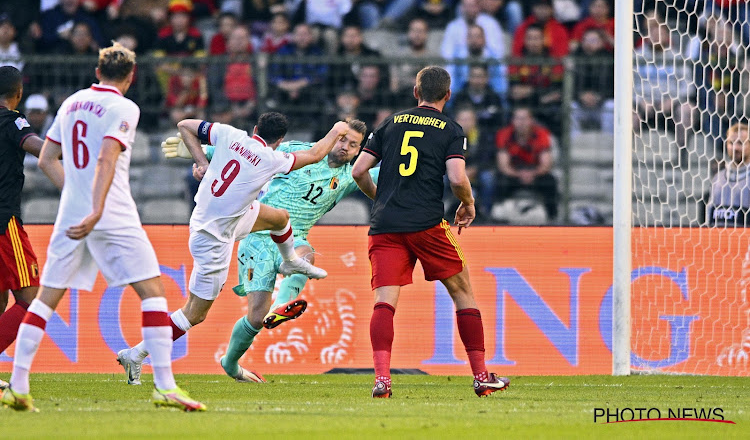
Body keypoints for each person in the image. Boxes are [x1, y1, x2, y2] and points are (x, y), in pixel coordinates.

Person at [1, 44, 205, 412]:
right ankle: (164, 385)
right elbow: (108, 156)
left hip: (71, 213)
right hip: (112, 213)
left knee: (45, 299)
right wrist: (96, 208)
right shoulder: (125, 107)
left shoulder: (71, 102)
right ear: (130, 76)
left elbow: (47, 159)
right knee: (153, 292)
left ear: (97, 72)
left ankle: (18, 385)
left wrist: (76, 197)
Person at [115, 113, 351, 384]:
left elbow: (184, 125)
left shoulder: (230, 135)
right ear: (280, 140)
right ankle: (137, 353)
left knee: (279, 218)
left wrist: (202, 161)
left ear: (255, 129)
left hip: (220, 215)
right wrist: (335, 130)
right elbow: (313, 154)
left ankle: (290, 261)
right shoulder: (270, 159)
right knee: (195, 313)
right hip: (214, 238)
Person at [351, 65, 510, 398]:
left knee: (384, 302)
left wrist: (381, 199)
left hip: (385, 226)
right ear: (448, 95)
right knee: (463, 292)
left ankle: (382, 380)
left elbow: (359, 170)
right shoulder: (451, 130)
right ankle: (481, 377)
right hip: (426, 224)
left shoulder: (391, 123)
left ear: (415, 92)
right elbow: (456, 177)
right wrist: (468, 203)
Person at [0, 66, 46, 392]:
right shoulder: (12, 119)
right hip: (4, 222)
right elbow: (34, 145)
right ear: (17, 94)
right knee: (29, 299)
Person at [494, 107, 558, 221]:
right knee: (500, 180)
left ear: (531, 120)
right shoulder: (504, 134)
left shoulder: (542, 134)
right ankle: (499, 215)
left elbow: (546, 164)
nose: (521, 123)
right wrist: (519, 174)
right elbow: (503, 165)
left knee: (550, 181)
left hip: (535, 171)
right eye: (518, 119)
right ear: (513, 121)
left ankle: (552, 217)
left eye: (524, 119)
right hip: (514, 172)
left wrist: (533, 173)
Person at [706, 122, 750, 227]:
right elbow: (709, 218)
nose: (735, 148)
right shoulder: (718, 178)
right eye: (731, 143)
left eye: (740, 143)